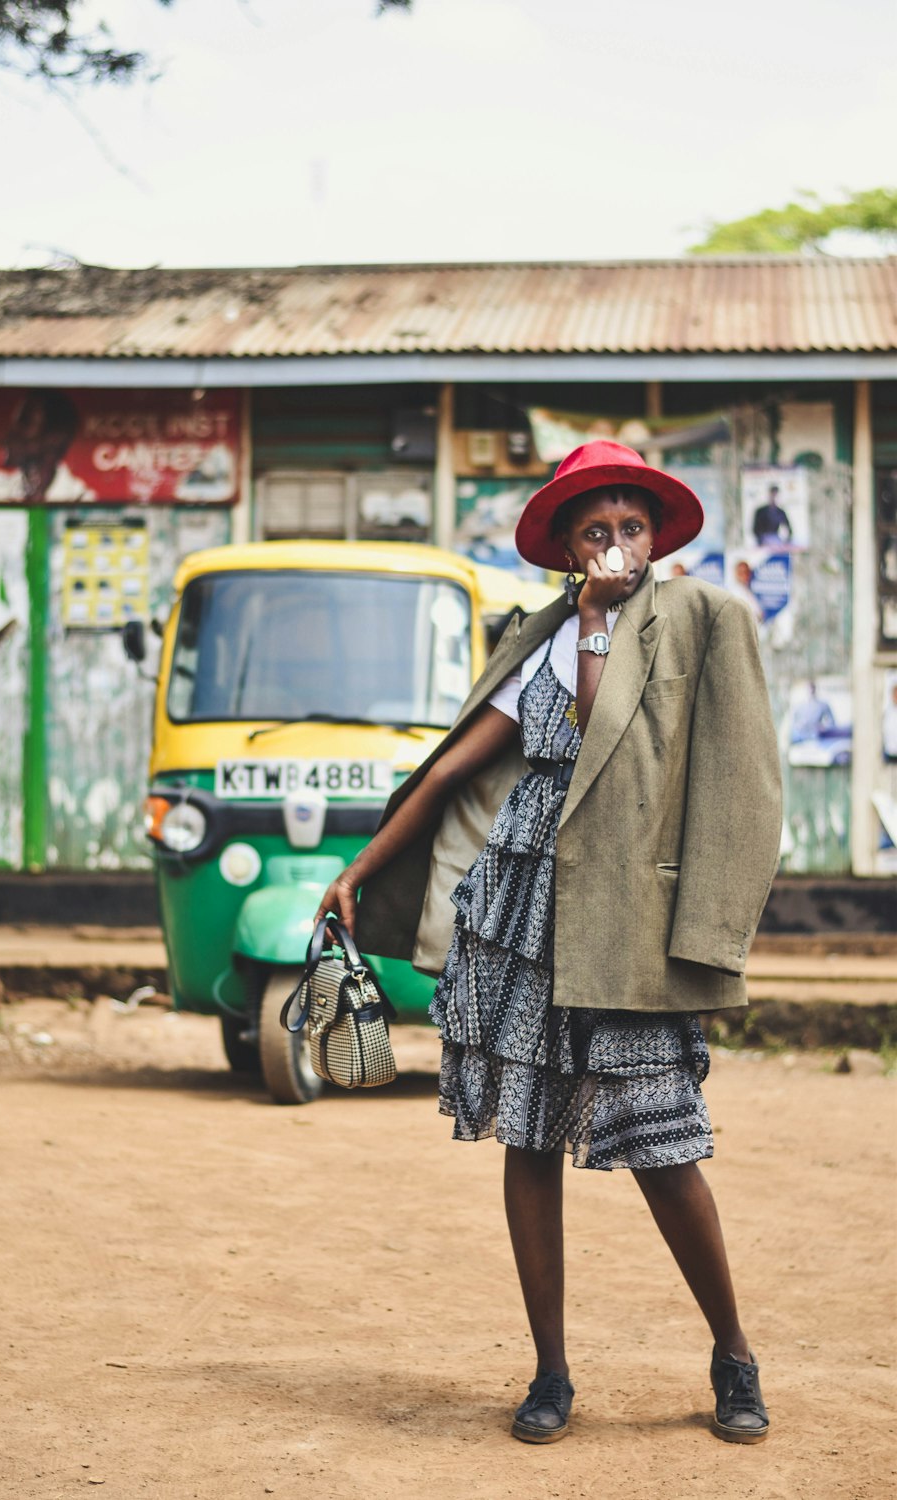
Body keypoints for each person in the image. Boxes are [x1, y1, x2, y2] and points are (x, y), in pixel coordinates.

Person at [315, 440, 782, 1448]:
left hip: (631, 922)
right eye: (594, 529)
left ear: (653, 537)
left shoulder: (704, 622)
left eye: (630, 524)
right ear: (568, 549)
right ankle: (550, 1372)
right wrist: (353, 873)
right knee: (526, 1140)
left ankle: (733, 1355)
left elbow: (741, 784)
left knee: (663, 1143)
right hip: (520, 917)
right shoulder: (540, 637)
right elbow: (445, 775)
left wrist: (711, 933)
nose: (616, 542)